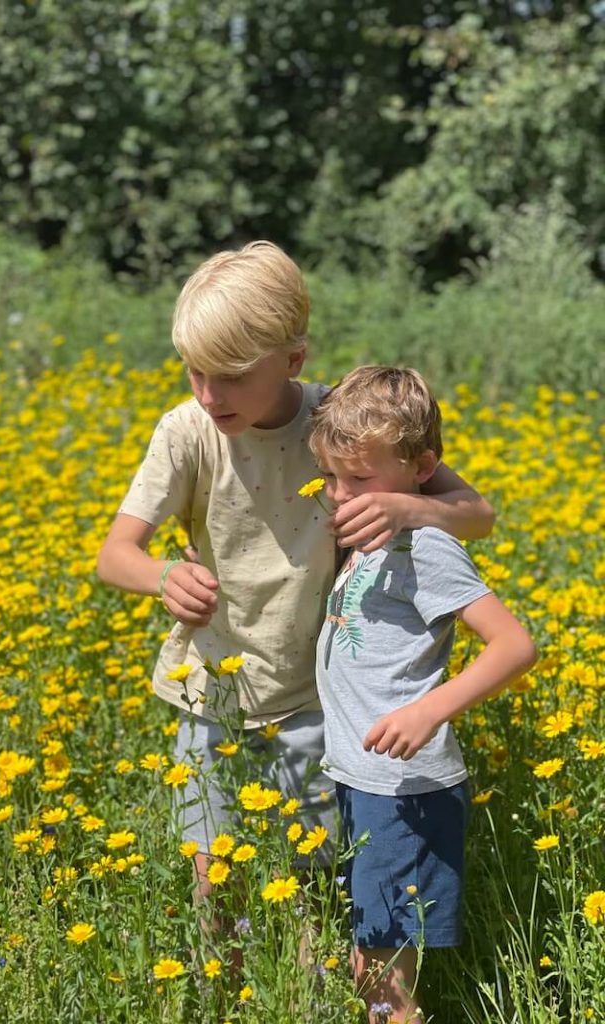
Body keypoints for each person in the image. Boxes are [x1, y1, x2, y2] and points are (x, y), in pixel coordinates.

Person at [96, 241, 495, 907]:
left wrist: (406, 506)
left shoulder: (341, 423)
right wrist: (163, 576)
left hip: (316, 696)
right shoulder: (187, 431)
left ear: (293, 360)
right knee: (212, 881)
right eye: (195, 371)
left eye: (229, 374)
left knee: (306, 880)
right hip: (210, 692)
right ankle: (218, 1000)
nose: (208, 392)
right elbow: (116, 555)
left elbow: (477, 515)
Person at [309, 365, 536, 1024]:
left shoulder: (426, 544)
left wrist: (428, 710)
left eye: (360, 479)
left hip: (404, 790)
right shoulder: (370, 533)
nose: (341, 494)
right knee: (371, 968)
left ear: (421, 470)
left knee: (385, 985)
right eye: (332, 477)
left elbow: (515, 646)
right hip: (367, 779)